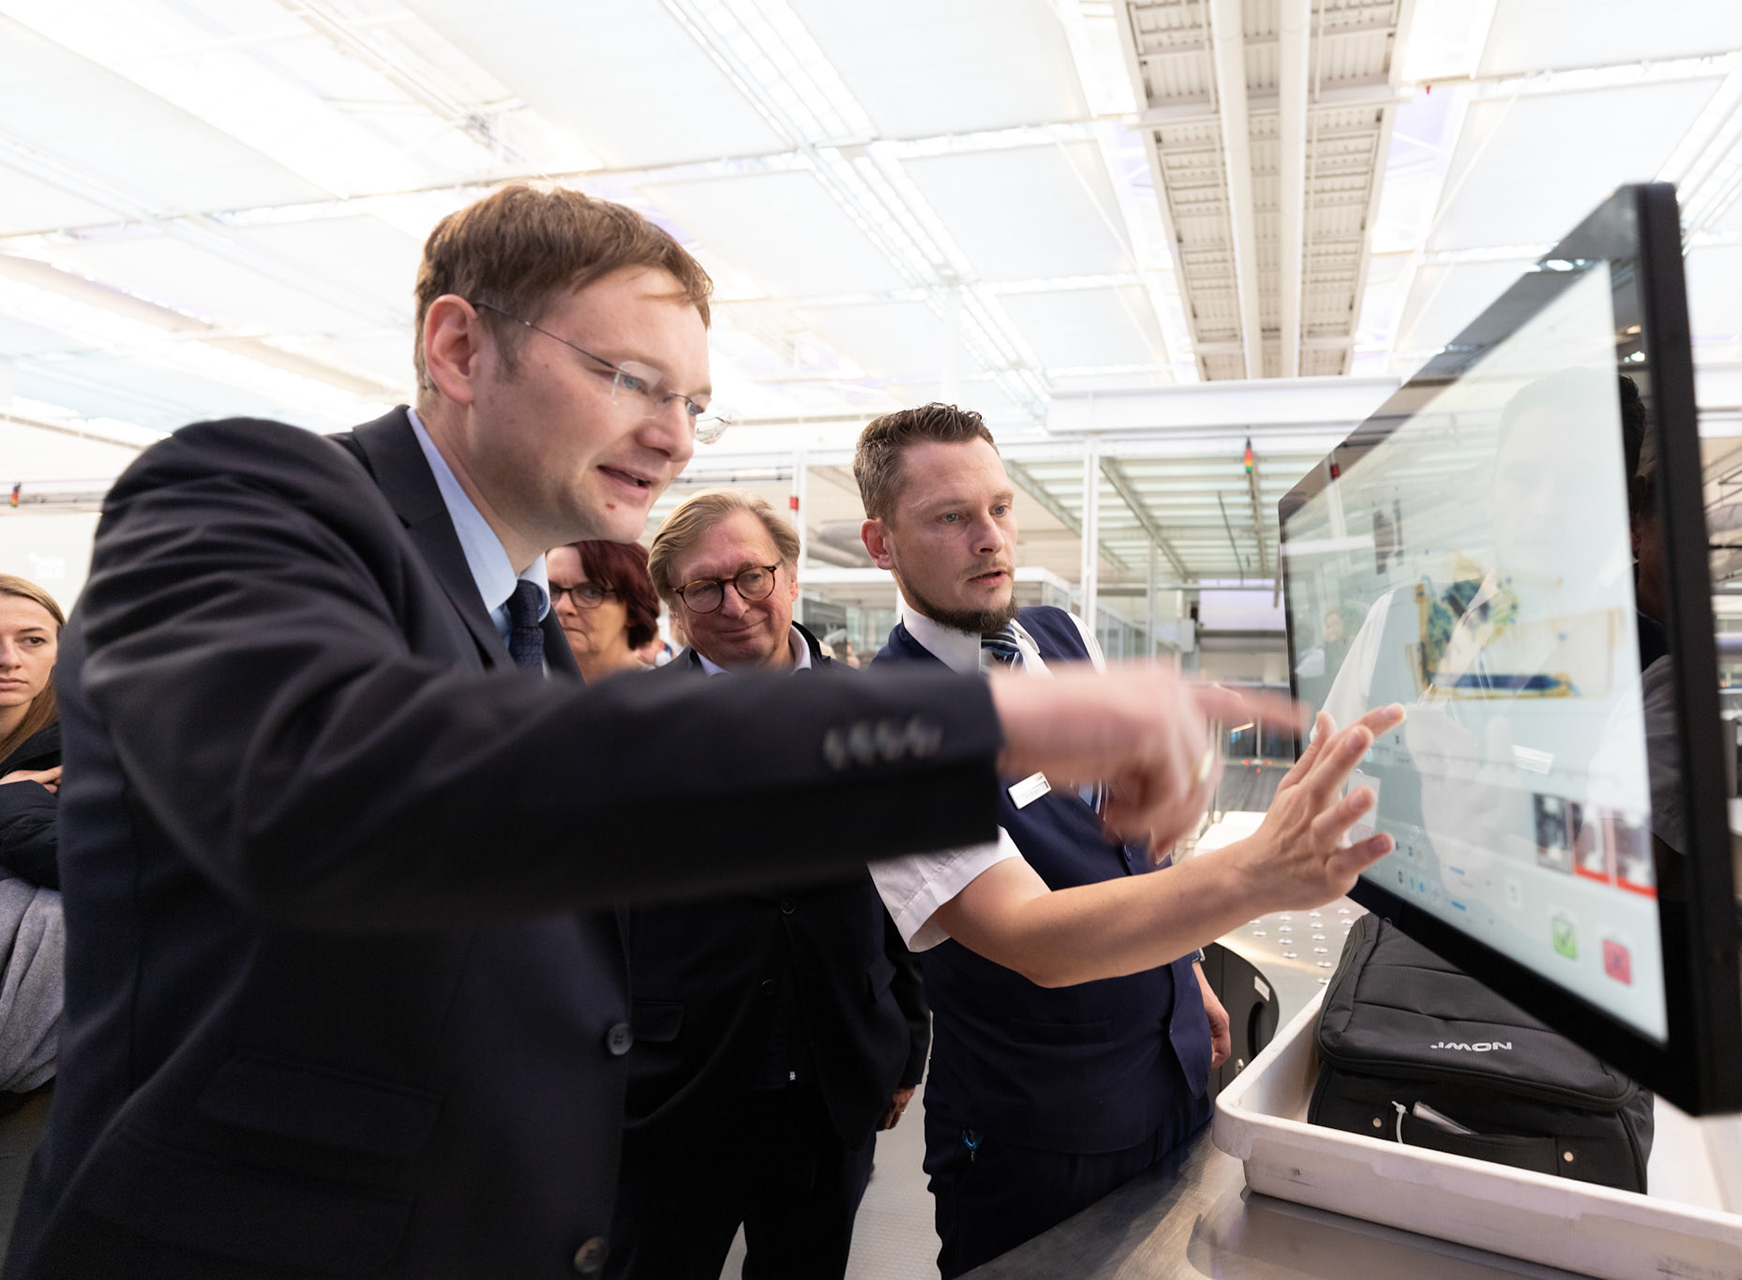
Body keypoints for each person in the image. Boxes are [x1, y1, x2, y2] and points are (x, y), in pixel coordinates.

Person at [6, 184, 1305, 1280]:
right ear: (458, 348)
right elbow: (361, 788)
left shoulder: (521, 626)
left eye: (695, 402)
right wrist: (987, 716)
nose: (675, 436)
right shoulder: (243, 493)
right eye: (631, 379)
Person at [851, 404, 1402, 1276]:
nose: (990, 539)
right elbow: (1030, 937)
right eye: (950, 518)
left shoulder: (1058, 637)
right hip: (1040, 1134)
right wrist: (1253, 872)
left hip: (1172, 1069)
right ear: (880, 544)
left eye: (1000, 508)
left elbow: (1132, 831)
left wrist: (1185, 971)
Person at [610, 490, 928, 1279]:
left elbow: (906, 890)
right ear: (675, 603)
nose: (734, 604)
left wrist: (908, 1042)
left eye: (751, 576)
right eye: (703, 588)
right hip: (678, 1087)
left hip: (833, 1078)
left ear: (789, 576)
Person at [0, 575, 65, 1100]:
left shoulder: (96, 748)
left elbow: (90, 869)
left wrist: (10, 800)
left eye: (33, 640)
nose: (8, 660)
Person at [547, 538, 667, 678]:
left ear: (633, 611)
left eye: (591, 593)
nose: (562, 607)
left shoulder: (665, 690)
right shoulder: (529, 687)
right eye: (551, 590)